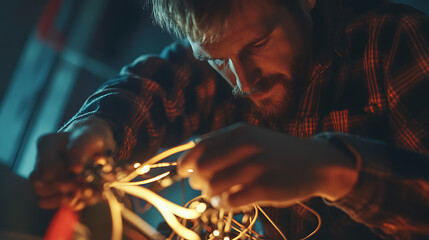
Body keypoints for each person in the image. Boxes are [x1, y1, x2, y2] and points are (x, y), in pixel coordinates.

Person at [30, 0, 429, 239]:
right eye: (218, 59)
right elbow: (148, 86)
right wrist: (92, 128)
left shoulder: (392, 43)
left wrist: (333, 170)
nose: (244, 79)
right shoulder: (221, 58)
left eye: (259, 43)